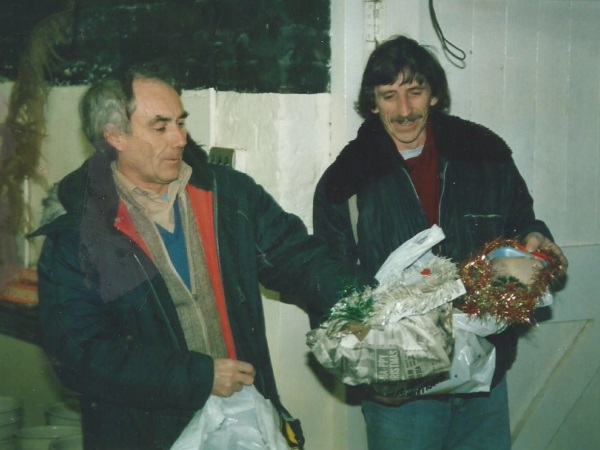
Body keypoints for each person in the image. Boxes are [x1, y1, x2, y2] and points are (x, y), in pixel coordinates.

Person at [32, 63, 371, 450]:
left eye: (180, 122)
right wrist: (198, 376)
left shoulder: (228, 198)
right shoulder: (79, 234)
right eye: (160, 127)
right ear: (114, 137)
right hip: (145, 435)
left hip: (241, 423)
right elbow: (83, 355)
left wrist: (365, 299)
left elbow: (298, 257)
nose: (179, 138)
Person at [312, 35, 568, 449]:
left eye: (415, 92)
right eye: (389, 96)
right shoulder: (346, 181)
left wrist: (537, 240)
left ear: (433, 95)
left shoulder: (484, 155)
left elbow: (521, 223)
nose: (405, 109)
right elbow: (327, 283)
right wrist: (364, 375)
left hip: (483, 377)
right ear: (373, 102)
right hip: (400, 392)